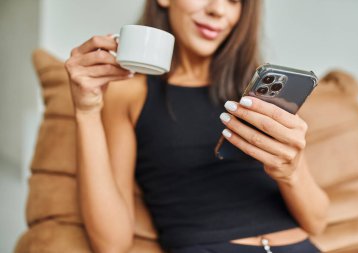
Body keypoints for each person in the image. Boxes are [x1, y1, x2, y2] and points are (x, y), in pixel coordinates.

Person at [64, 0, 330, 252]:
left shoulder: (258, 91)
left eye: (234, 0)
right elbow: (112, 245)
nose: (218, 10)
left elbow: (317, 222)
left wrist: (291, 171)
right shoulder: (129, 94)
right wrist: (86, 113)